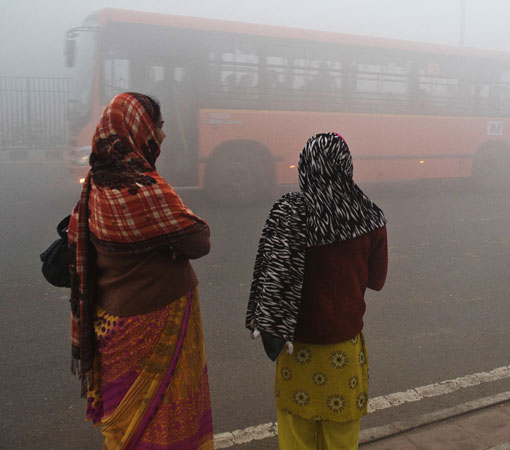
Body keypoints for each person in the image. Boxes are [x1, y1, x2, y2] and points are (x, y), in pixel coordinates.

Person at [67, 92, 214, 449]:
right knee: (165, 420)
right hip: (155, 320)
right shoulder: (141, 187)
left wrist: (162, 240)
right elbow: (199, 240)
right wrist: (167, 242)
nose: (162, 136)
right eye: (158, 127)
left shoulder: (96, 185)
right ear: (137, 130)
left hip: (112, 324)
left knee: (129, 423)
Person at [246, 132, 388, 450]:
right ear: (346, 166)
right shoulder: (369, 217)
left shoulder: (287, 213)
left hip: (296, 349)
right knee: (341, 437)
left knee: (296, 435)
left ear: (306, 167)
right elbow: (376, 280)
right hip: (343, 351)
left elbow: (271, 276)